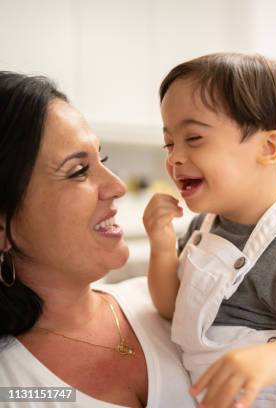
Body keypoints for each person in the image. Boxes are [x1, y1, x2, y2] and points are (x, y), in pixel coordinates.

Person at [143, 53, 276, 408]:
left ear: (268, 147)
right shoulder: (204, 228)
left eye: (194, 137)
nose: (175, 158)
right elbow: (172, 308)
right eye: (169, 143)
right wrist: (162, 247)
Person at [0, 72, 196, 408]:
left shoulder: (176, 304)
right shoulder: (12, 386)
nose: (117, 186)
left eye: (100, 160)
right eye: (78, 171)